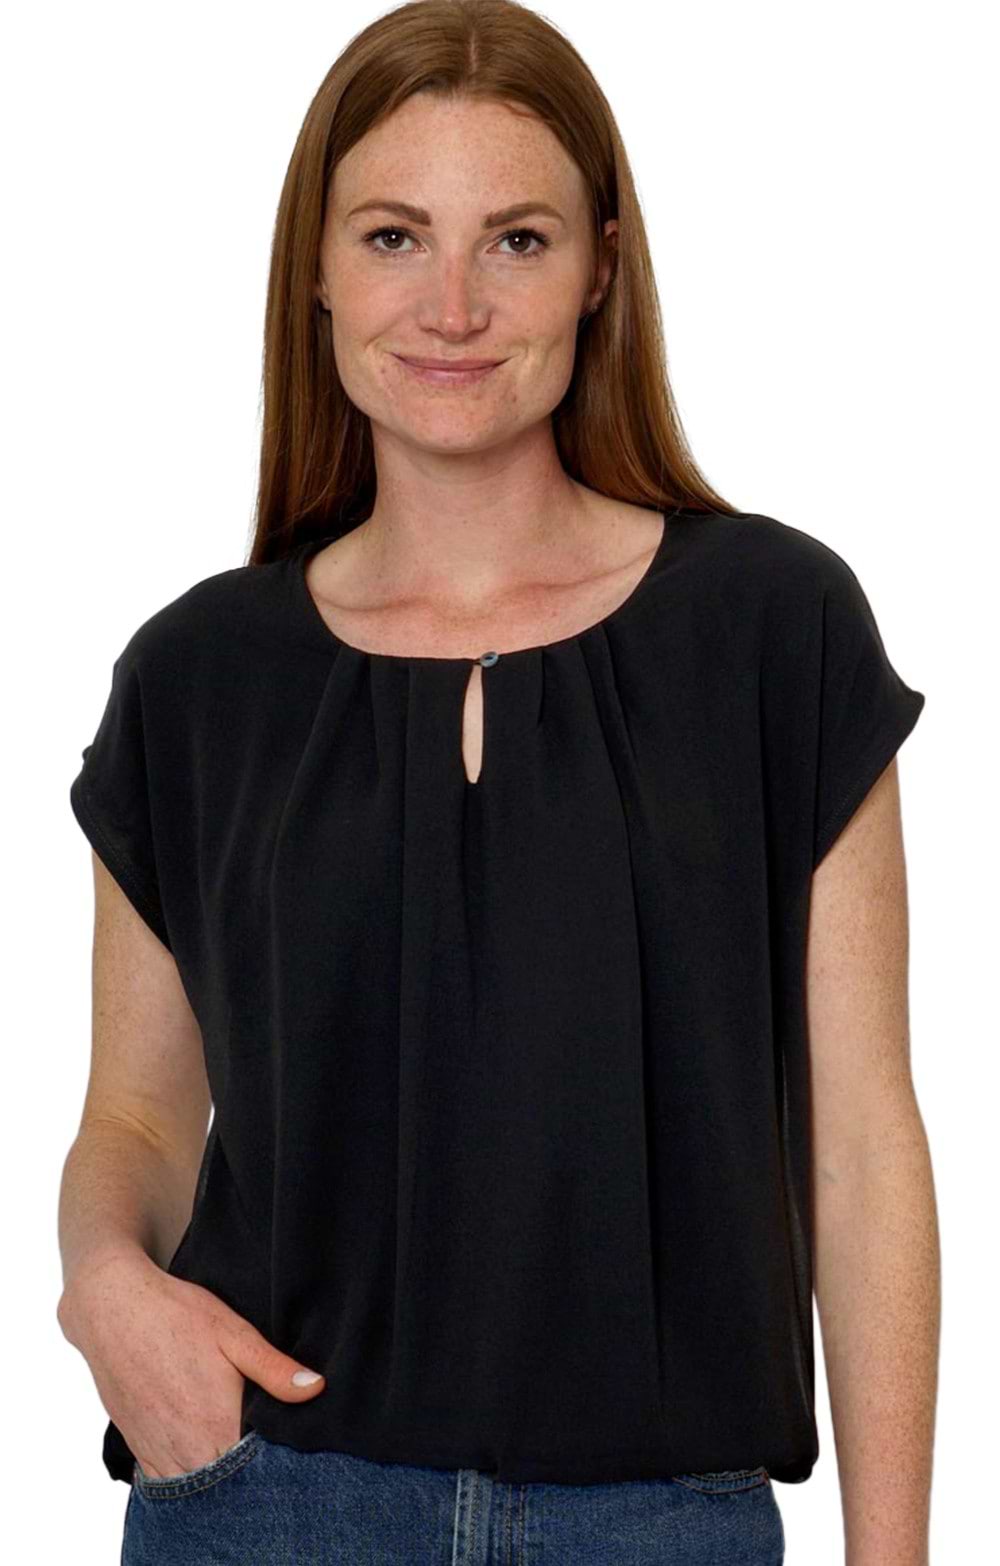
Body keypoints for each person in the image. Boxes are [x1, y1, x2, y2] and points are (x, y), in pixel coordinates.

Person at [57, 2, 938, 1562]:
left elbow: (864, 1147)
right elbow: (132, 1114)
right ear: (317, 269)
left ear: (601, 266)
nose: (452, 305)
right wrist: (106, 1287)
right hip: (265, 1498)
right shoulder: (197, 677)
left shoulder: (772, 629)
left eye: (516, 240)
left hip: (662, 1520)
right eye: (394, 236)